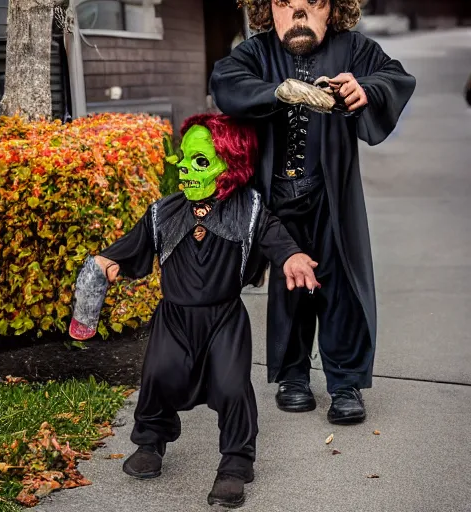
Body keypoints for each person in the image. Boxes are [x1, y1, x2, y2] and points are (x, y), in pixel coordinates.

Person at [69, 113, 319, 508]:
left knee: (232, 385)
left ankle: (235, 463)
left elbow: (277, 238)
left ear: (230, 164)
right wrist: (105, 265)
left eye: (199, 160)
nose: (185, 167)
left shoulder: (249, 209)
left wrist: (293, 258)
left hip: (224, 319)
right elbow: (128, 250)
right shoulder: (164, 212)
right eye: (184, 158)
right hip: (175, 318)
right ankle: (151, 442)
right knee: (159, 374)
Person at [209, 0, 416, 424]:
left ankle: (345, 383)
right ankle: (293, 377)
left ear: (333, 8)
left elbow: (395, 77)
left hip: (331, 194)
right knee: (290, 288)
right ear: (267, 9)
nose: (298, 13)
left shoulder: (353, 48)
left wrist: (366, 90)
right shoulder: (257, 52)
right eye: (286, 3)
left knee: (339, 284)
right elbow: (225, 82)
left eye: (313, 2)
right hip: (277, 197)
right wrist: (277, 91)